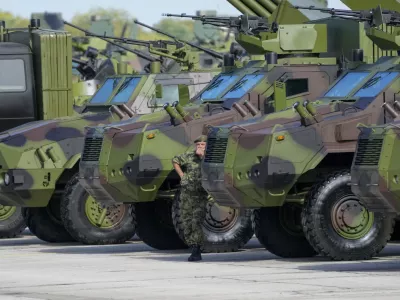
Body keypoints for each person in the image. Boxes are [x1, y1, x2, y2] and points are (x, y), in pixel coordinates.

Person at [172, 135, 210, 262]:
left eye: (202, 145)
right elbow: (175, 160)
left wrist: (203, 157)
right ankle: (192, 245)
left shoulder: (209, 158)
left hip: (200, 195)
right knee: (186, 220)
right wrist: (182, 175)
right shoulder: (189, 156)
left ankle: (197, 248)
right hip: (187, 193)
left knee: (196, 220)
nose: (199, 147)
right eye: (198, 145)